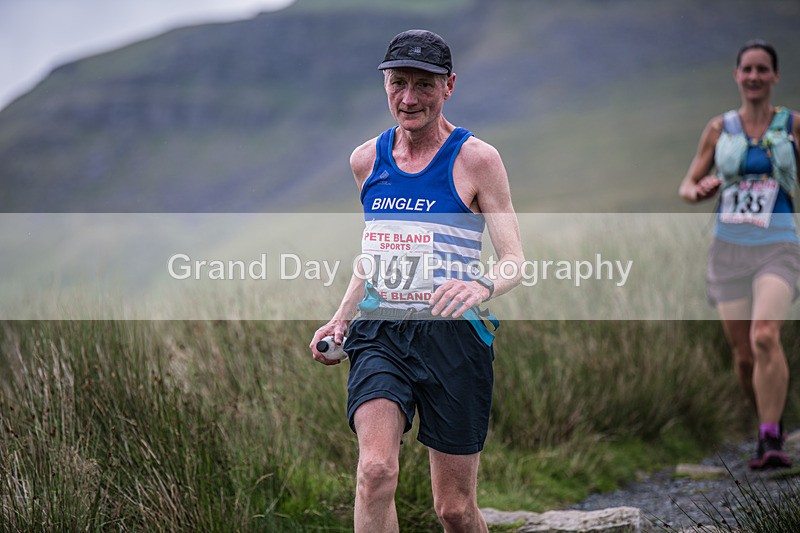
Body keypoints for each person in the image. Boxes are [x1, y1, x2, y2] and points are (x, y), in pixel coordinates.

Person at [309, 29, 524, 532]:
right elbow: (374, 253)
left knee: (453, 510)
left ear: (448, 86)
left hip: (454, 336)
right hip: (381, 332)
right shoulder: (366, 160)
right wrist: (341, 319)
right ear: (385, 84)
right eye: (398, 83)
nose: (409, 98)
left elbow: (514, 258)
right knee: (375, 472)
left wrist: (482, 287)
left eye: (424, 85)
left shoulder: (477, 160)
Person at [679, 39, 800, 469]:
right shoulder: (719, 129)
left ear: (774, 76)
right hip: (729, 249)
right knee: (744, 355)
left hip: (778, 246)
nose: (753, 76)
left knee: (764, 335)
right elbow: (688, 184)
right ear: (736, 75)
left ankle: (770, 440)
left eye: (762, 69)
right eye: (746, 69)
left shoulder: (792, 126)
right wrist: (701, 189)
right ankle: (771, 421)